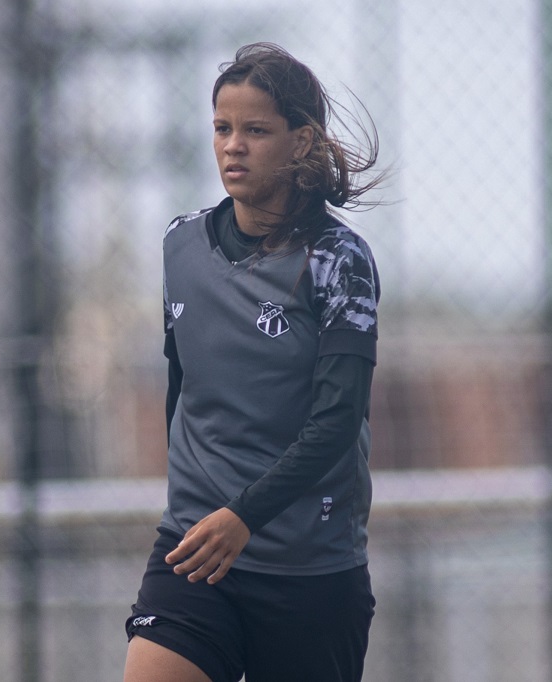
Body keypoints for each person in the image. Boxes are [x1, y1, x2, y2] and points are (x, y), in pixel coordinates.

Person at [123, 42, 385, 682]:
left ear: (301, 142)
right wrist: (198, 500)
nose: (233, 146)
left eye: (255, 130)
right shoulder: (179, 243)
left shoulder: (337, 260)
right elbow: (181, 386)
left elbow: (337, 420)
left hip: (308, 569)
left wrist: (245, 515)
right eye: (222, 128)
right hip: (195, 549)